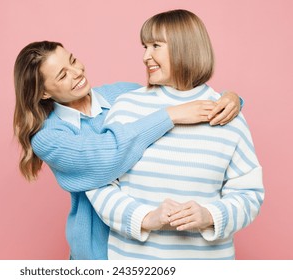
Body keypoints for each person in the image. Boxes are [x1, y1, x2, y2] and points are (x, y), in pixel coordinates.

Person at [13, 40, 241, 259]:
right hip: (98, 253)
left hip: (152, 248)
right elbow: (107, 156)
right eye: (62, 75)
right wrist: (169, 115)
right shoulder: (49, 138)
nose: (76, 72)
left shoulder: (122, 94)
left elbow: (180, 98)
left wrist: (229, 99)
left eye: (73, 60)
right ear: (43, 92)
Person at [86, 9, 264, 259]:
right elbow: (100, 181)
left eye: (155, 46)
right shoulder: (127, 107)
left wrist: (209, 216)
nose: (145, 56)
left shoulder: (226, 113)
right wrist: (146, 218)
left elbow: (249, 194)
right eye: (144, 46)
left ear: (185, 47)